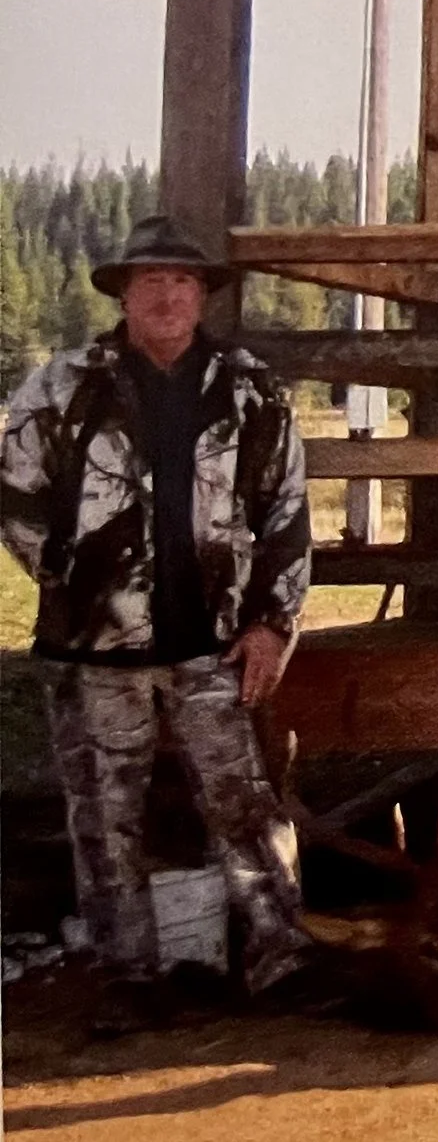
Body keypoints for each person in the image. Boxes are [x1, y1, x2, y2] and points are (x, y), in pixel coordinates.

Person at [0, 217, 320, 1038]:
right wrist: (65, 569)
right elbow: (12, 492)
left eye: (183, 282)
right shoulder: (63, 385)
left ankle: (281, 958)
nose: (168, 295)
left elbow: (286, 513)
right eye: (151, 282)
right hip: (94, 650)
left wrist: (274, 622)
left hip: (215, 646)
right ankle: (128, 973)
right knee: (106, 817)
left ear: (203, 294)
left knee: (246, 807)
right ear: (124, 295)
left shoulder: (252, 391)